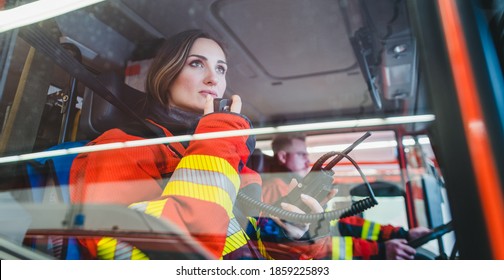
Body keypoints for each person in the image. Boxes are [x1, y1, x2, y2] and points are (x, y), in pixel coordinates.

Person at [69, 29, 321, 260]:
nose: (214, 79)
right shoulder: (118, 148)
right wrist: (216, 141)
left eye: (221, 69)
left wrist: (291, 234)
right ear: (166, 75)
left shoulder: (233, 162)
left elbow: (250, 250)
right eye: (197, 64)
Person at [257, 133, 432, 260]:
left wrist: (399, 234)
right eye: (302, 154)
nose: (307, 160)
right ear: (282, 156)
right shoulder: (276, 190)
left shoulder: (299, 188)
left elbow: (335, 223)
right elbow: (305, 244)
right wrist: (377, 250)